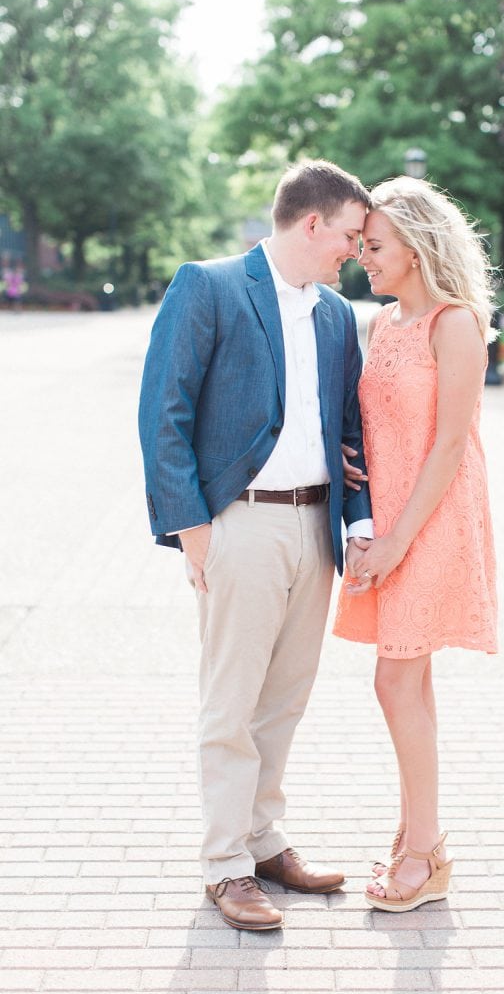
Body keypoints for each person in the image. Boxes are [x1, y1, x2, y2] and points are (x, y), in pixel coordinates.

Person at [138, 160, 373, 931]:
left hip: (315, 527)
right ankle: (225, 865)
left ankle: (264, 839)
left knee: (283, 701)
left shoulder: (337, 315)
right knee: (231, 702)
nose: (352, 250)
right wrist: (195, 529)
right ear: (311, 223)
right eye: (346, 235)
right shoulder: (207, 286)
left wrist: (357, 522)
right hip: (239, 523)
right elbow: (163, 411)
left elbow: (349, 433)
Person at [334, 176, 498, 913]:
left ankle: (426, 852)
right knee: (409, 681)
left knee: (393, 681)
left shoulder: (453, 324)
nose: (360, 257)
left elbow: (450, 445)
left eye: (373, 246)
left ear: (416, 246)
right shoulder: (379, 326)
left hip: (430, 524)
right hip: (388, 523)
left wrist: (398, 541)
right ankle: (414, 838)